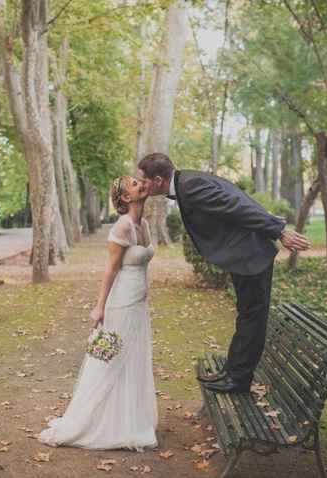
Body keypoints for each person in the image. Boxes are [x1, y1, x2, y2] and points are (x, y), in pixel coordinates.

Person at [137, 153, 311, 394]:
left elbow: (236, 206)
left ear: (157, 180)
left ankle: (239, 380)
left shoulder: (190, 186)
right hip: (245, 255)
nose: (142, 185)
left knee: (253, 318)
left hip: (251, 255)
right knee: (246, 315)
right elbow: (235, 196)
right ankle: (233, 371)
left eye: (143, 180)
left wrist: (278, 230)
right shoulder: (187, 181)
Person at [39, 175, 158, 451]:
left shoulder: (146, 225)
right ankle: (93, 422)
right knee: (114, 361)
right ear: (126, 198)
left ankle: (130, 420)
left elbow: (143, 264)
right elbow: (111, 269)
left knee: (135, 359)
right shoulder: (122, 227)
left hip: (138, 302)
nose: (141, 183)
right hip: (121, 303)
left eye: (139, 181)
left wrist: (145, 291)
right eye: (133, 183)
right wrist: (99, 306)